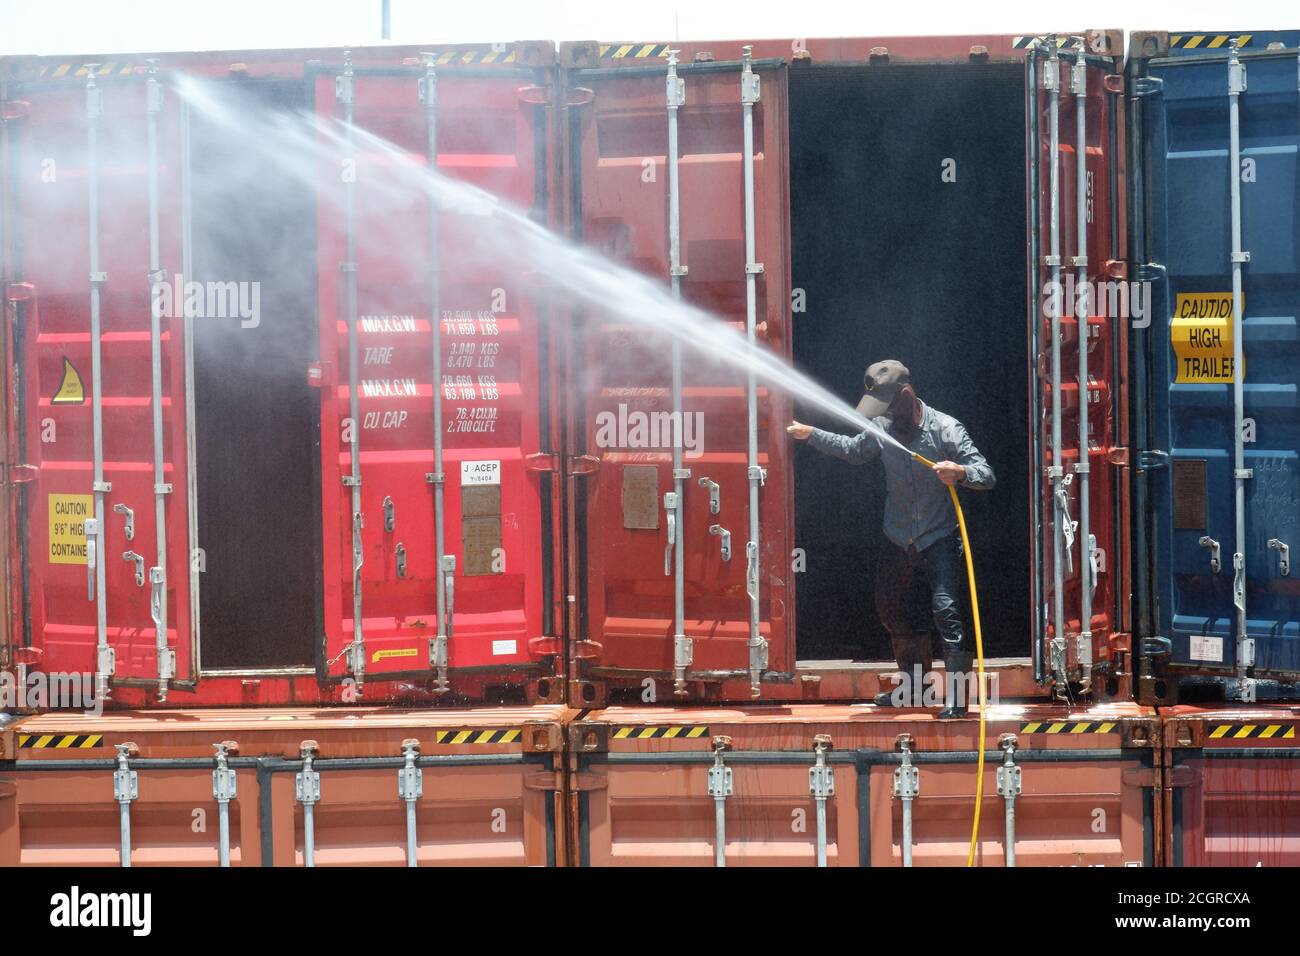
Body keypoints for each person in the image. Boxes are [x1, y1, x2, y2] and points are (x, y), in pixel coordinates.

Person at [787, 359, 995, 718]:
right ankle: (915, 688)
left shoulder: (946, 429)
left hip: (938, 537)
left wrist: (960, 471)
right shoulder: (882, 427)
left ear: (906, 395)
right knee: (891, 609)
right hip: (897, 537)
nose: (882, 415)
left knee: (947, 613)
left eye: (887, 406)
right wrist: (812, 434)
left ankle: (958, 700)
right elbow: (855, 450)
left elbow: (986, 474)